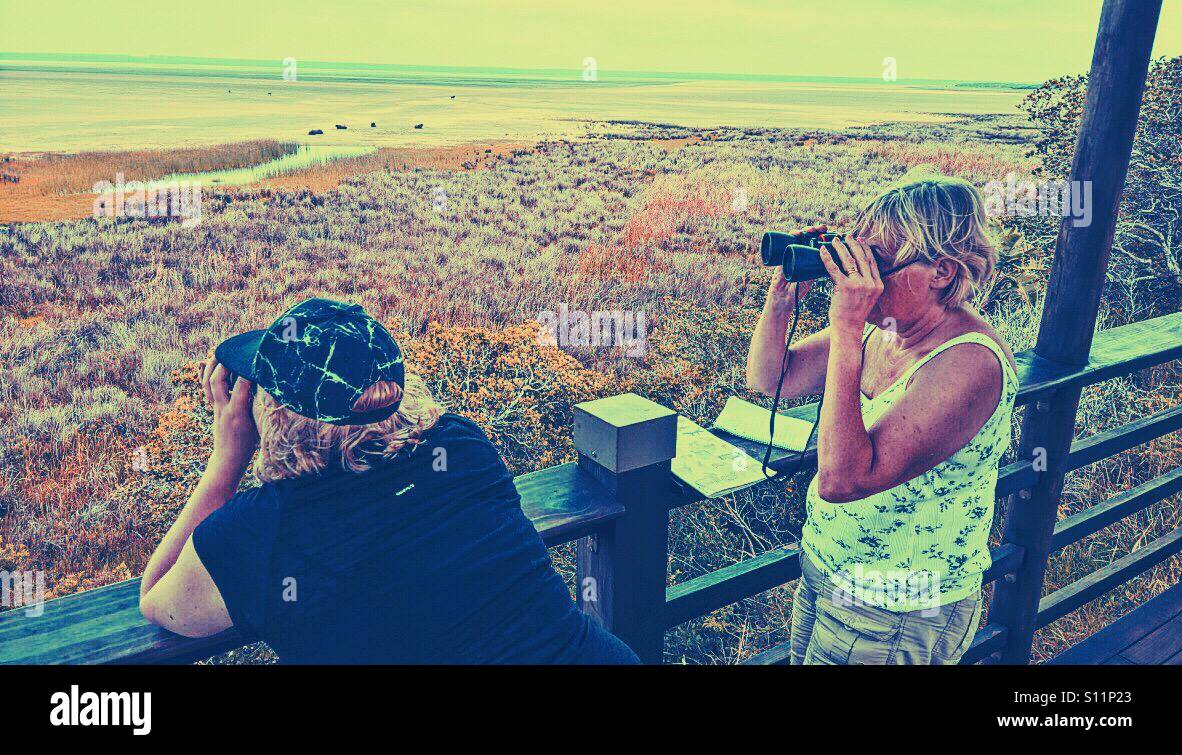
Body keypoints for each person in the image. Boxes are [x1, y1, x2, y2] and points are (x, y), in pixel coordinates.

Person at [140, 297, 638, 664]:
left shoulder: (260, 532)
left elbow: (158, 598)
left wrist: (226, 460)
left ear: (272, 413)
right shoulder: (461, 448)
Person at [746, 174, 1019, 665]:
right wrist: (782, 297)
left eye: (878, 264)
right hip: (828, 569)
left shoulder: (969, 362)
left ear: (941, 270)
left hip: (896, 607)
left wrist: (847, 326)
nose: (861, 279)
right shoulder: (887, 331)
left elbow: (842, 478)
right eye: (857, 257)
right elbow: (771, 379)